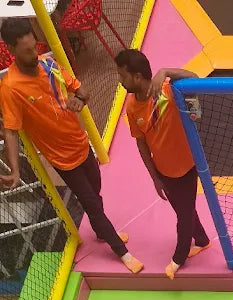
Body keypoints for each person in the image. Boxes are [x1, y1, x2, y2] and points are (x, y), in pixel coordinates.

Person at [0, 18, 142, 273]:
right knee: (92, 205)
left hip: (81, 144)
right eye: (27, 51)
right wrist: (15, 169)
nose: (34, 54)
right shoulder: (10, 87)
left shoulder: (49, 64)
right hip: (63, 159)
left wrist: (79, 100)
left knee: (96, 193)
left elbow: (81, 91)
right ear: (12, 49)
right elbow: (11, 130)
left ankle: (101, 231)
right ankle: (122, 252)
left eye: (34, 47)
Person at [115, 49, 210, 280]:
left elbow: (195, 78)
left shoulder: (169, 90)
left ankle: (179, 257)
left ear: (137, 77)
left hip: (186, 166)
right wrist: (154, 177)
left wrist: (165, 71)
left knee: (183, 215)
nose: (120, 81)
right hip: (164, 171)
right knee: (183, 209)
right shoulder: (132, 107)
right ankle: (202, 240)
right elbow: (141, 144)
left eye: (122, 76)